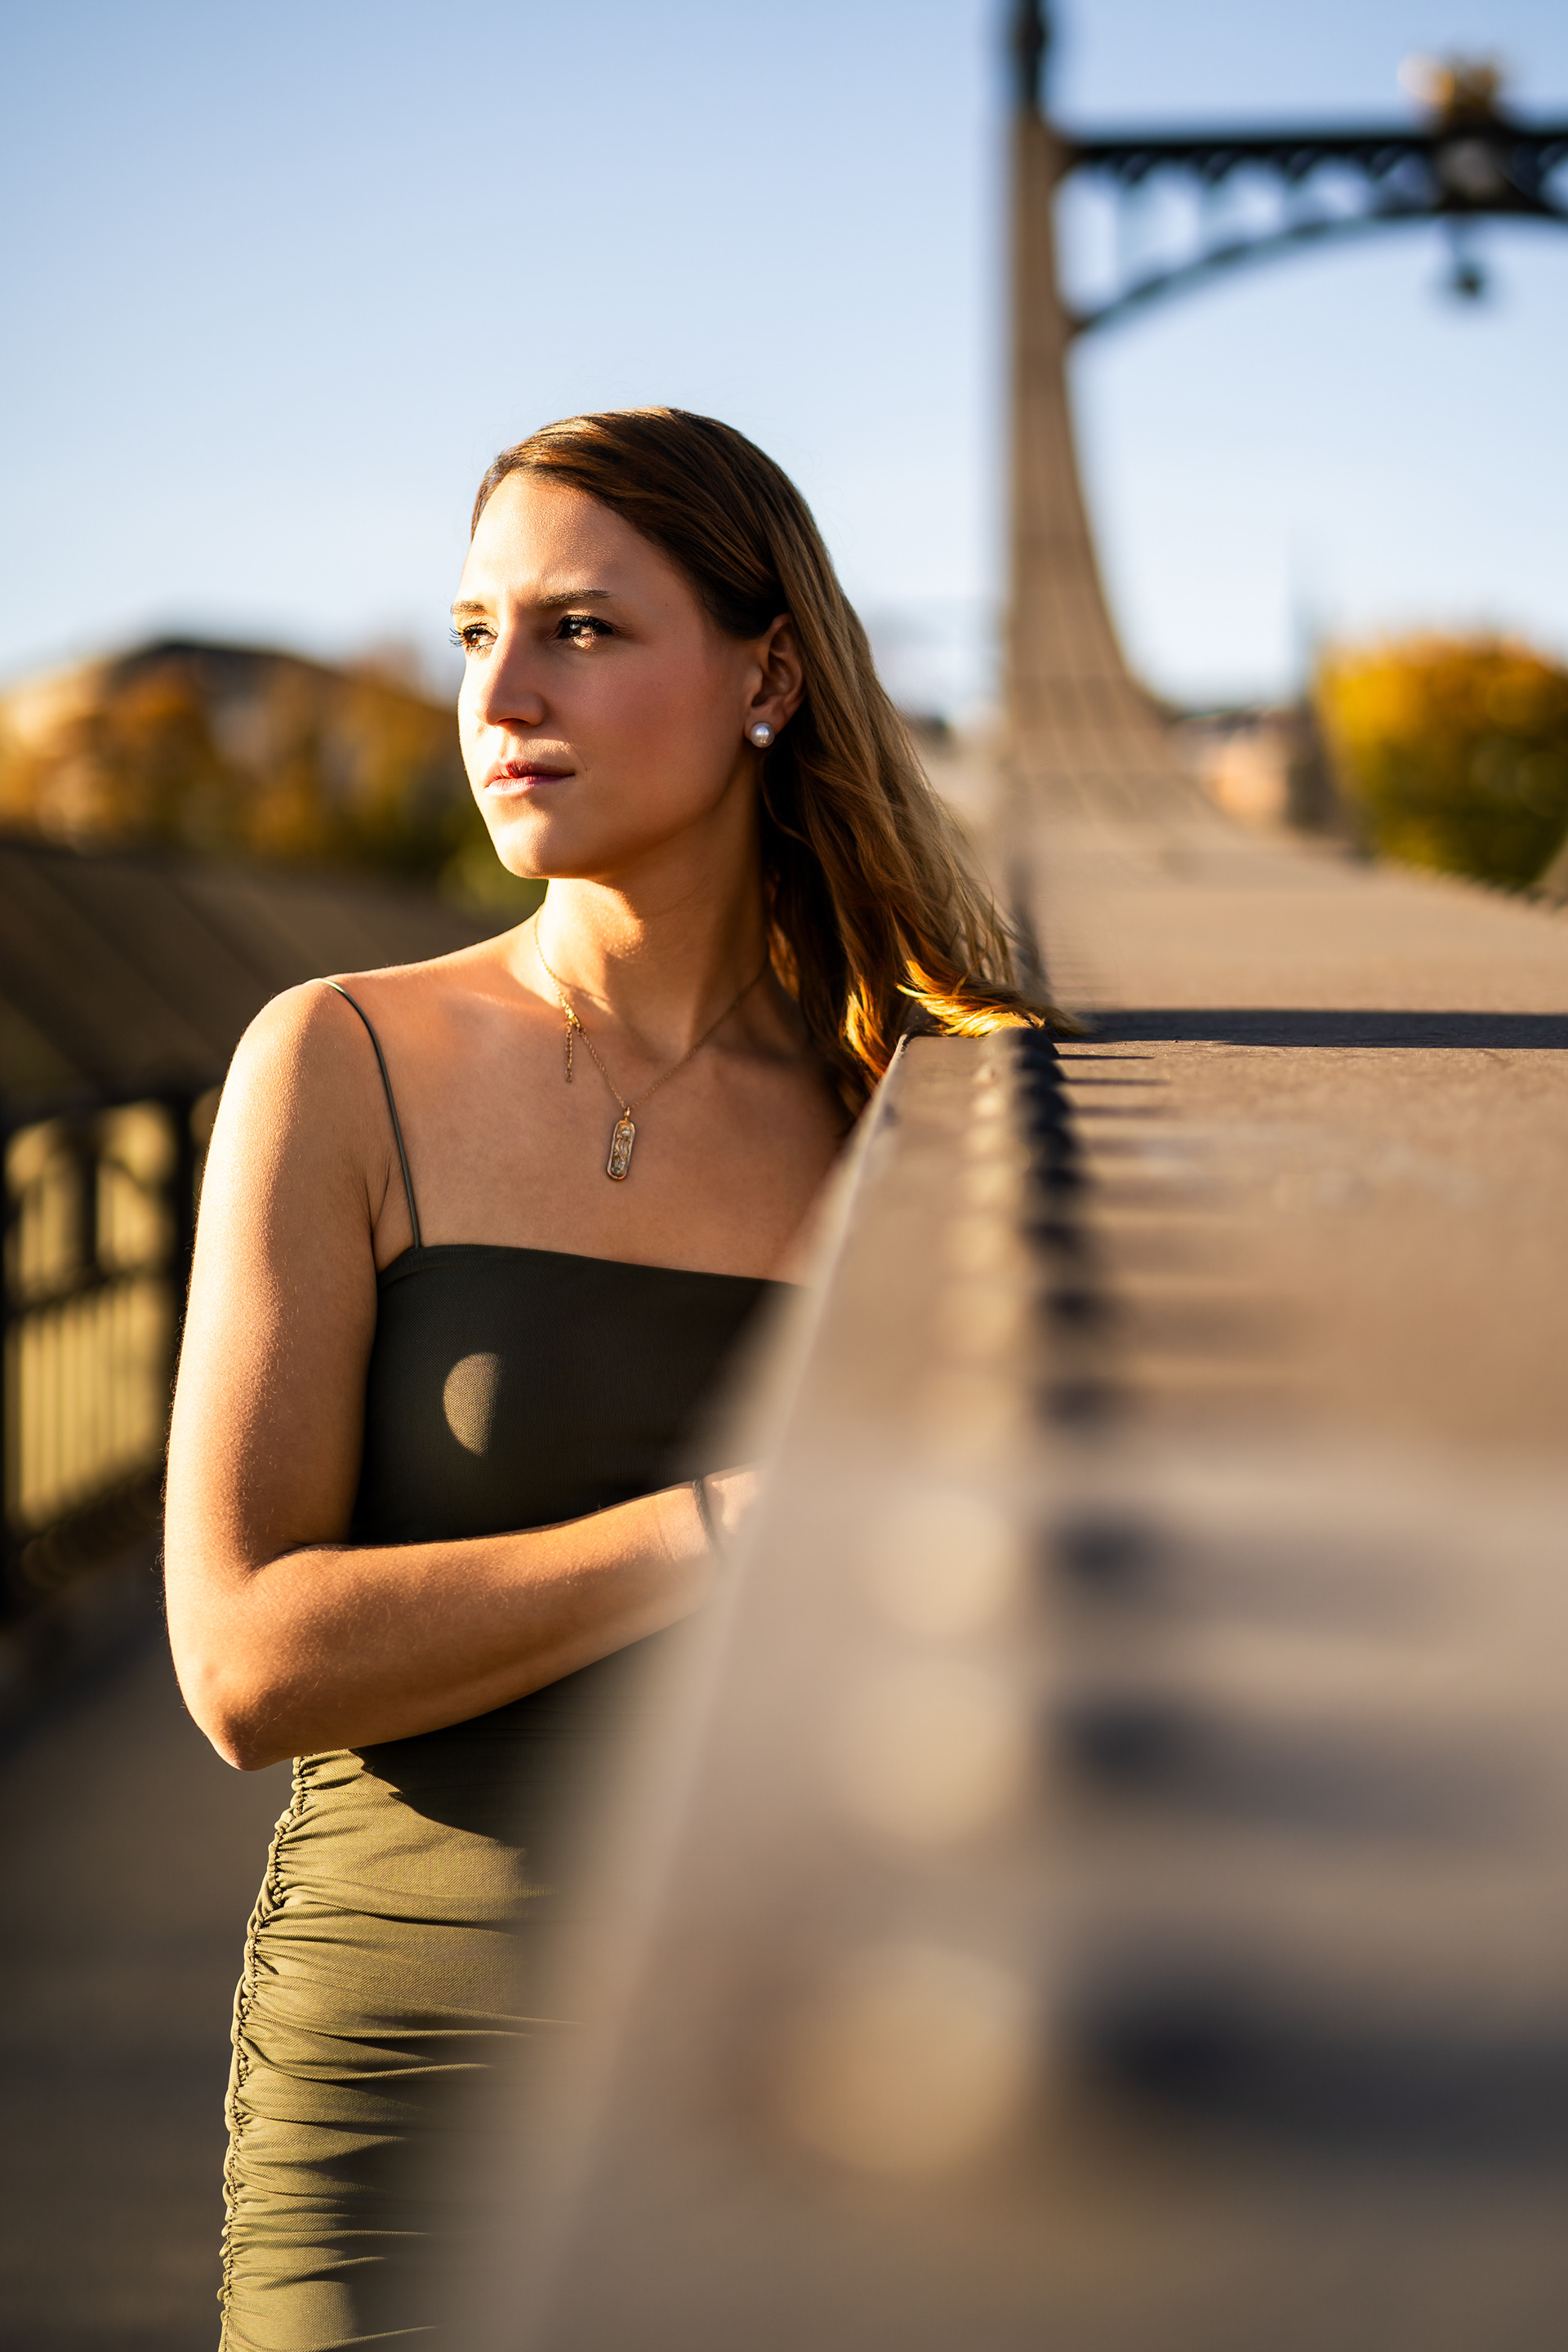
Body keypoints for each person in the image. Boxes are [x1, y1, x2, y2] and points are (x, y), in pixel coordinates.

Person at [164, 407, 1041, 2348]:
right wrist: (725, 1530)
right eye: (478, 635)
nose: (504, 699)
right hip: (400, 2072)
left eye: (581, 630)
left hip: (804, 2077)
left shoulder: (927, 1107)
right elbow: (243, 1662)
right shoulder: (339, 1060)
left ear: (769, 676)